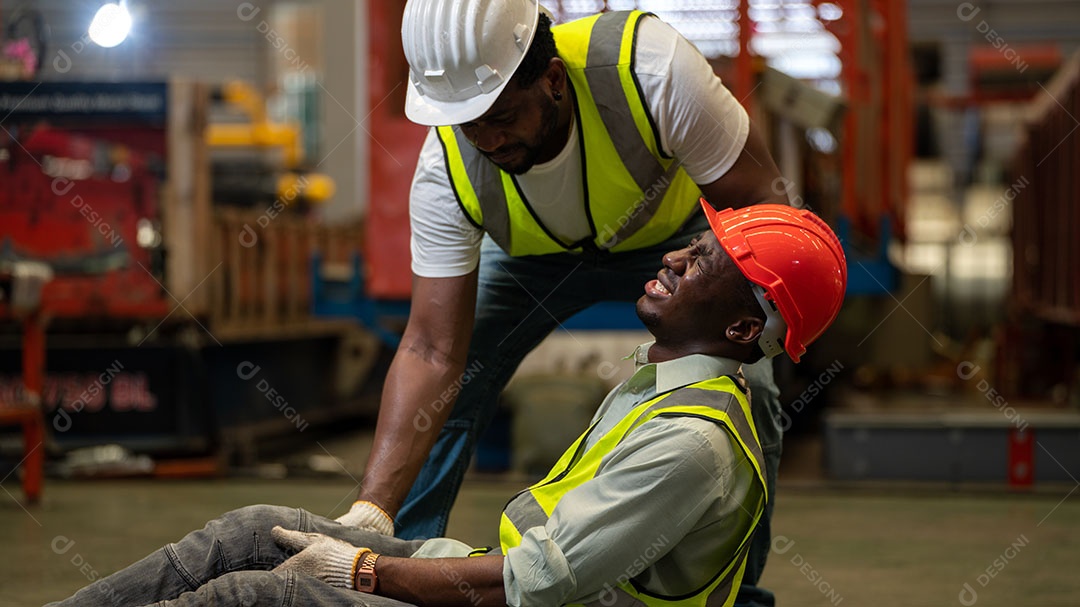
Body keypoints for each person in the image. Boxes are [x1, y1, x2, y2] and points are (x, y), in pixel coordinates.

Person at [47, 203, 846, 607]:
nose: (673, 254)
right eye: (691, 242)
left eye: (704, 259)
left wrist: (364, 569)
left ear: (744, 326)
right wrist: (379, 537)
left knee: (261, 595)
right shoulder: (662, 379)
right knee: (249, 530)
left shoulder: (692, 443)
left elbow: (528, 584)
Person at [343, 3, 791, 604]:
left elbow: (761, 214)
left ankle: (736, 591)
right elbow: (430, 348)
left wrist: (757, 330)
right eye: (466, 124)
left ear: (553, 78)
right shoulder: (446, 169)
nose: (486, 139)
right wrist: (370, 508)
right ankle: (394, 575)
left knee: (750, 388)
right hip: (532, 262)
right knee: (456, 383)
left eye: (501, 116)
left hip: (671, 240)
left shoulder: (649, 70)